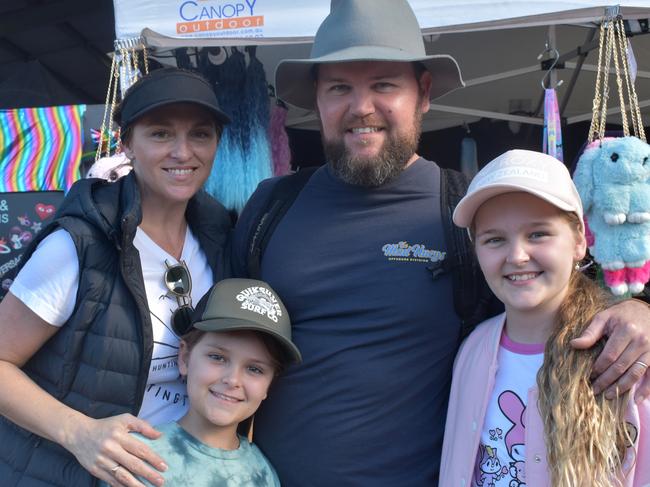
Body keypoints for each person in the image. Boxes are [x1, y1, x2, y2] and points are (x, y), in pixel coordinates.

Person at [231, 0, 650, 485]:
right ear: (318, 100)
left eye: (384, 84)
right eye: (340, 87)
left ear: (423, 93)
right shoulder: (270, 208)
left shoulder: (466, 214)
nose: (361, 107)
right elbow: (218, 340)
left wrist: (638, 309)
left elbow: (547, 296)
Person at [0, 67, 232, 486]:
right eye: (160, 133)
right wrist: (78, 432)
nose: (183, 152)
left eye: (200, 134)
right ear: (126, 144)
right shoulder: (78, 246)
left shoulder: (221, 239)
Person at [440, 149, 650, 486]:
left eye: (538, 234)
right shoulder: (473, 347)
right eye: (494, 239)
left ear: (580, 240)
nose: (517, 256)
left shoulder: (624, 357)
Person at [108, 278, 302, 487]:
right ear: (185, 358)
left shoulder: (263, 474)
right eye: (217, 357)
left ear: (269, 384)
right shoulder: (138, 458)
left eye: (254, 369)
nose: (233, 380)